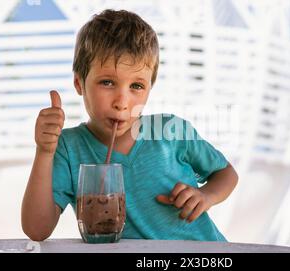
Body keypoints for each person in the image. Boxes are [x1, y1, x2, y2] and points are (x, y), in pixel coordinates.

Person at [21, 9, 238, 242]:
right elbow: (37, 229)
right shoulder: (68, 147)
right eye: (107, 82)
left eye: (136, 86)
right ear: (79, 83)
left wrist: (205, 196)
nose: (122, 103)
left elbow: (226, 173)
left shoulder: (171, 130)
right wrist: (44, 152)